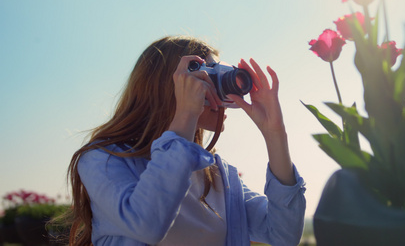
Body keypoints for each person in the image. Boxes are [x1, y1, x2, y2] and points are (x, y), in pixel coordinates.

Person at [66, 36, 306, 246]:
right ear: (170, 86)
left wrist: (275, 134)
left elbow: (283, 234)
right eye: (207, 77)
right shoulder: (103, 159)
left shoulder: (219, 177)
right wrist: (186, 113)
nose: (222, 90)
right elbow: (147, 224)